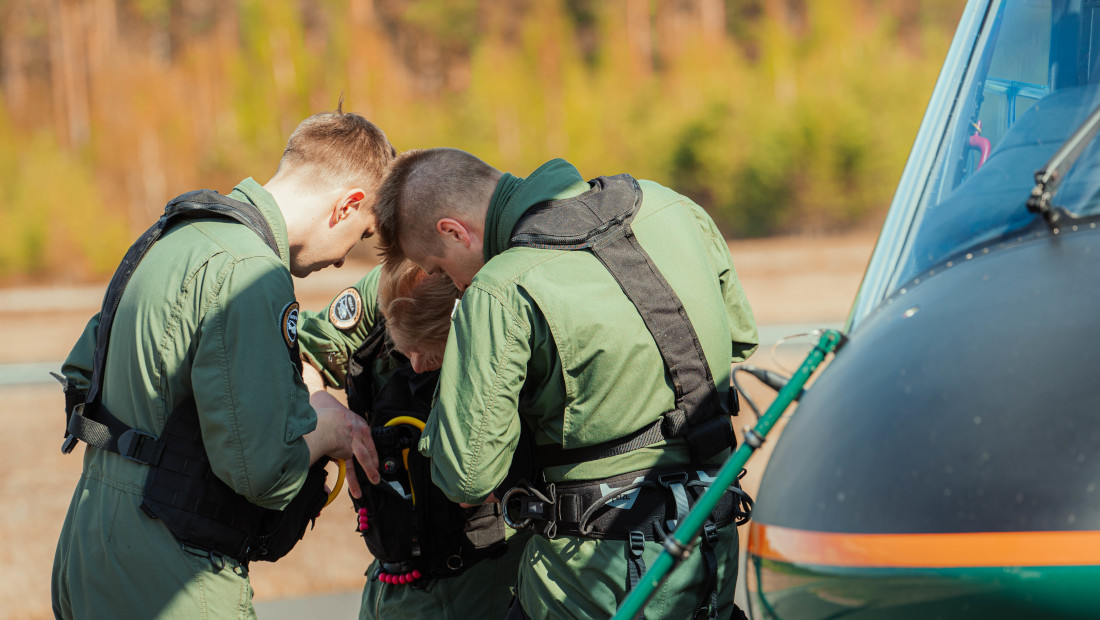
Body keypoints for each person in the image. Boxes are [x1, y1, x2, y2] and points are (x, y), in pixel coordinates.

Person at [371, 148, 759, 619]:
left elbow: (467, 478)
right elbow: (741, 339)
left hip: (589, 578)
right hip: (712, 546)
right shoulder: (671, 204)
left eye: (437, 268)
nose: (450, 284)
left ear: (454, 231)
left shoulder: (500, 289)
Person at [51, 108, 394, 619]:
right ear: (347, 205)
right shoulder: (252, 270)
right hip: (169, 572)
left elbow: (82, 373)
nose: (345, 259)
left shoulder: (175, 232)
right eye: (362, 234)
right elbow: (260, 472)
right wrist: (329, 431)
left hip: (88, 548)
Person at [296, 260, 530, 619]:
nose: (417, 365)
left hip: (485, 577)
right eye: (403, 350)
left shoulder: (503, 297)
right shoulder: (392, 286)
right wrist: (327, 410)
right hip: (388, 572)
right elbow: (301, 355)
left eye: (432, 352)